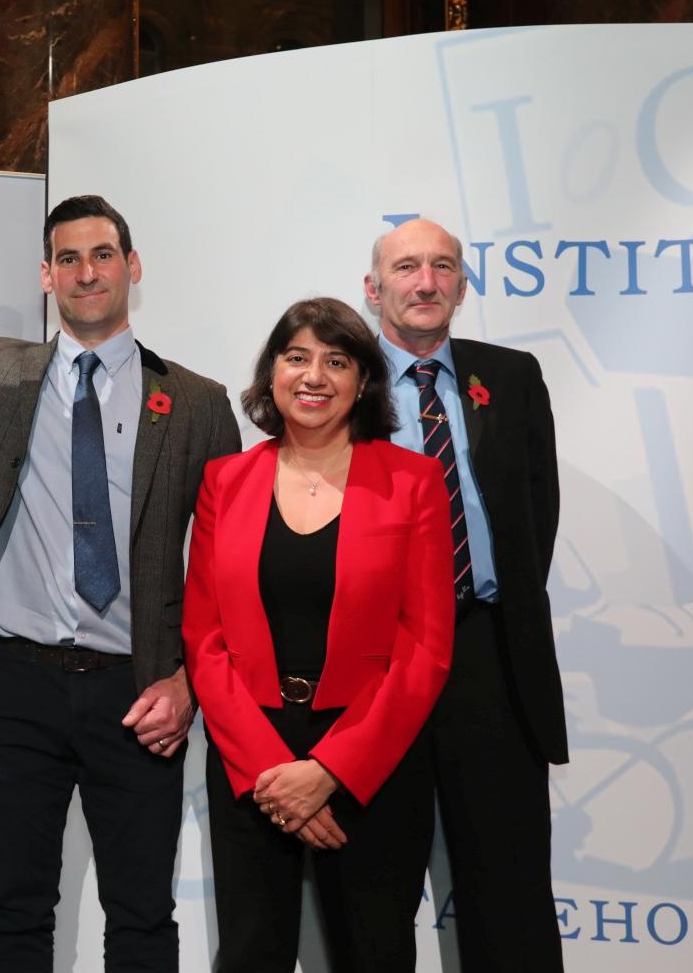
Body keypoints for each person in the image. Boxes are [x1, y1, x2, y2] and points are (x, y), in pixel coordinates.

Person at [0, 111, 240, 972]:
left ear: (132, 266)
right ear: (46, 275)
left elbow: (228, 567)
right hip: (13, 685)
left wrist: (187, 681)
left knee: (143, 916)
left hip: (139, 691)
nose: (86, 271)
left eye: (103, 255)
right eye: (68, 258)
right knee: (14, 911)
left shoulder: (199, 403)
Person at [182, 297, 455, 971]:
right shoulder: (225, 480)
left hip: (372, 756)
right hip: (253, 757)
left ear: (363, 381)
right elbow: (204, 636)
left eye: (336, 361)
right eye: (296, 357)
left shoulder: (415, 481)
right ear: (272, 373)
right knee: (250, 953)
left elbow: (425, 648)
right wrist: (272, 774)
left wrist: (332, 770)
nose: (313, 376)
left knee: (375, 952)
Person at [363, 216, 567, 971]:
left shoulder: (511, 377)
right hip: (377, 663)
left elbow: (536, 513)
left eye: (443, 266)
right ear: (373, 288)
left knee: (510, 894)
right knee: (373, 896)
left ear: (462, 285)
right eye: (408, 267)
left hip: (490, 656)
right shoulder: (339, 381)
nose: (426, 282)